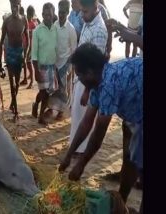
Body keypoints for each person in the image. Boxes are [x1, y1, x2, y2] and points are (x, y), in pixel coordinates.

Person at [59, 43, 143, 213]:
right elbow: (86, 123)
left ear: (89, 73)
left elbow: (98, 134)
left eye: (79, 75)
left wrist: (81, 164)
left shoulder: (108, 84)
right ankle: (123, 204)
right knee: (130, 156)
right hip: (136, 109)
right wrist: (68, 155)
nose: (78, 79)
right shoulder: (98, 82)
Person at [69, 0, 108, 154]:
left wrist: (87, 91)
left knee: (83, 118)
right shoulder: (88, 21)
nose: (82, 15)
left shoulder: (99, 29)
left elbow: (95, 68)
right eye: (82, 11)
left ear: (96, 8)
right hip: (80, 78)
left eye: (85, 12)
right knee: (76, 114)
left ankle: (80, 151)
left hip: (87, 82)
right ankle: (76, 148)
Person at [0, 0, 29, 122]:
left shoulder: (23, 20)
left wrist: (25, 55)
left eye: (16, 5)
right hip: (10, 52)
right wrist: (0, 62)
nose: (14, 8)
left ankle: (13, 103)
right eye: (12, 6)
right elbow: (1, 43)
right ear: (10, 6)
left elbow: (27, 39)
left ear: (19, 5)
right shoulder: (7, 21)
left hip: (19, 52)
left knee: (17, 82)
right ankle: (16, 112)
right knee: (12, 84)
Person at [30, 2, 58, 125]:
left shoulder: (55, 29)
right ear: (42, 14)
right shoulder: (37, 31)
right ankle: (41, 115)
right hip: (41, 67)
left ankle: (36, 105)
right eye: (45, 15)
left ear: (53, 15)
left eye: (50, 15)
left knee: (47, 92)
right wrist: (35, 70)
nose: (48, 17)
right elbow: (34, 53)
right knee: (43, 92)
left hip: (52, 66)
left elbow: (56, 48)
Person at [54, 0, 77, 120]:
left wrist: (69, 67)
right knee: (56, 87)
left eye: (63, 12)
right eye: (59, 12)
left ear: (68, 13)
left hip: (66, 62)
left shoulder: (71, 29)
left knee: (64, 88)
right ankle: (57, 107)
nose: (61, 14)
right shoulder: (55, 26)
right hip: (55, 62)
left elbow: (74, 50)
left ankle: (61, 111)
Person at [20, 5, 40, 88]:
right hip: (24, 45)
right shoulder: (25, 22)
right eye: (28, 14)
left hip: (30, 46)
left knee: (28, 63)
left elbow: (34, 37)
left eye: (30, 14)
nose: (29, 16)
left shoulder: (33, 24)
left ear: (32, 15)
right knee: (25, 62)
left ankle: (31, 81)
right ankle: (29, 77)